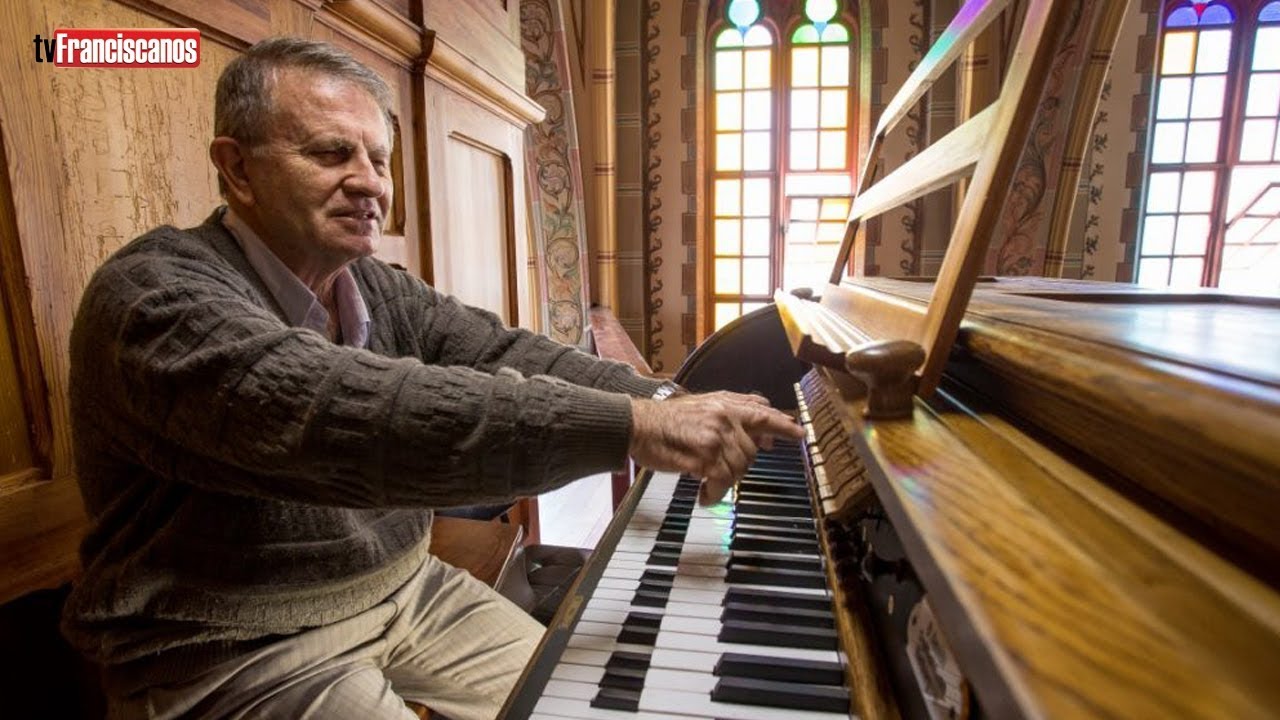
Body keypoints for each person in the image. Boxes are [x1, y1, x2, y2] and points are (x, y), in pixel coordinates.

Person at [61, 37, 802, 720]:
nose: (368, 184)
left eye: (378, 160)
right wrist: (634, 428)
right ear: (237, 167)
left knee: (596, 706)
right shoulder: (153, 299)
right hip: (231, 643)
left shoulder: (376, 286)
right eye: (330, 154)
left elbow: (504, 353)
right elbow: (357, 416)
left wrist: (667, 401)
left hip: (404, 592)